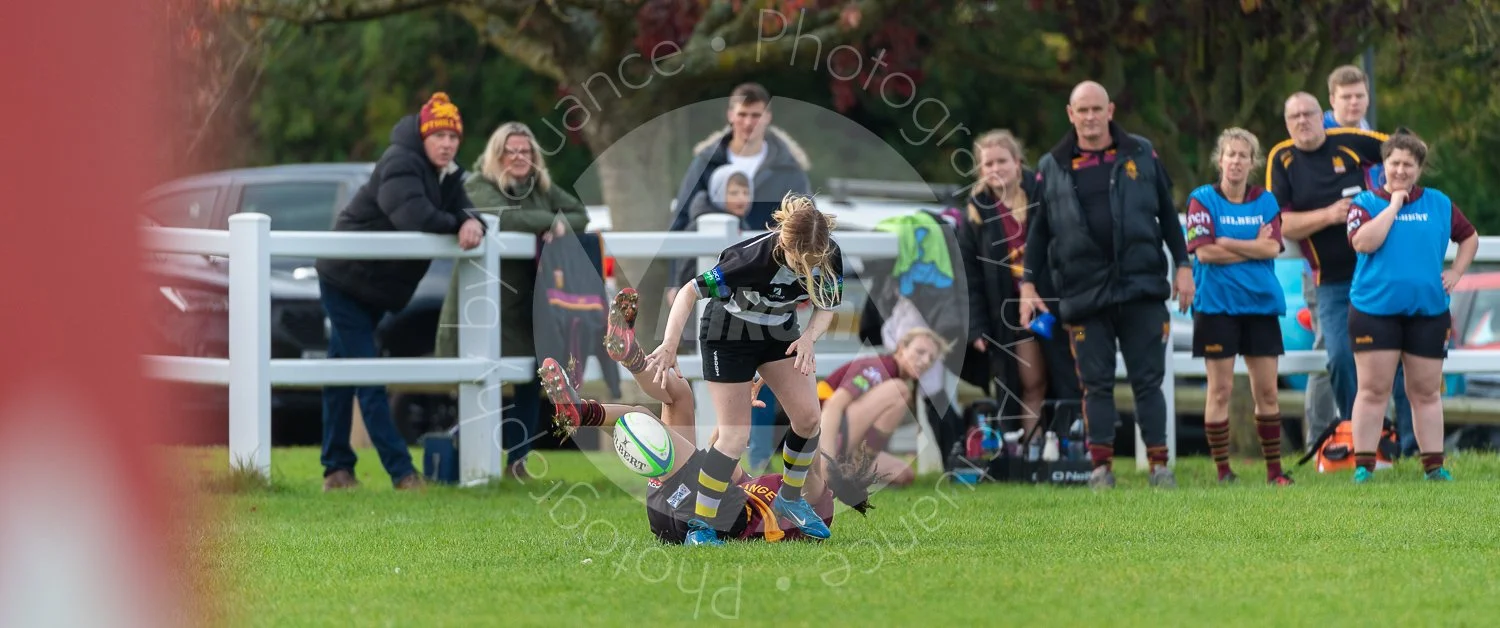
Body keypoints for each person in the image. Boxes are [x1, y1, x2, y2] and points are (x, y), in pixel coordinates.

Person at [538, 297, 878, 545]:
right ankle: (627, 361)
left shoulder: (820, 505)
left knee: (643, 418)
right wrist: (737, 411)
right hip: (685, 513)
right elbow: (722, 460)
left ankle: (584, 408)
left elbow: (808, 440)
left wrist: (807, 418)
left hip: (705, 518)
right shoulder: (769, 486)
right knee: (680, 394)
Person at [1018, 81, 1193, 490]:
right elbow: (1038, 233)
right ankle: (1101, 468)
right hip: (1084, 292)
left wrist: (1183, 265)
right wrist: (1027, 283)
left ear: (1110, 110)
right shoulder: (1051, 166)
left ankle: (1158, 465)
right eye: (1083, 110)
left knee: (1147, 379)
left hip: (1142, 287)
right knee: (1094, 383)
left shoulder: (1141, 152)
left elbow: (1168, 216)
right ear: (1070, 114)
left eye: (1097, 109)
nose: (1091, 117)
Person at [649, 192, 844, 546]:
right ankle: (701, 526)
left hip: (778, 331)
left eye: (812, 264)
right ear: (784, 242)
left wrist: (809, 340)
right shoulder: (749, 259)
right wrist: (670, 343)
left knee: (808, 418)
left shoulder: (827, 253)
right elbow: (689, 292)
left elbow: (826, 305)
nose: (807, 271)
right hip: (729, 334)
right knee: (735, 435)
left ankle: (790, 498)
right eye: (800, 263)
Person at [314, 92, 486, 491]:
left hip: (375, 289)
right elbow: (412, 216)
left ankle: (336, 469)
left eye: (453, 137)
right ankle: (402, 473)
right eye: (439, 135)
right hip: (345, 280)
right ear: (423, 135)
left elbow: (470, 211)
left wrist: (472, 220)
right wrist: (459, 223)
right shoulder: (400, 161)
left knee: (343, 374)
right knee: (368, 374)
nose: (447, 144)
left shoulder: (448, 174)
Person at [667, 82, 813, 472]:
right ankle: (717, 472)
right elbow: (681, 220)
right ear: (731, 116)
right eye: (742, 114)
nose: (749, 122)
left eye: (756, 114)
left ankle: (767, 468)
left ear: (767, 117)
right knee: (730, 402)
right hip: (729, 286)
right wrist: (674, 278)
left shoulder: (787, 167)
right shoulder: (707, 161)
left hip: (775, 288)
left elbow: (805, 227)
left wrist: (803, 286)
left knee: (778, 388)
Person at [434, 121, 588, 481]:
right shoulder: (477, 185)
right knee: (479, 379)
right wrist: (551, 222)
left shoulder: (541, 188)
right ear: (497, 154)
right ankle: (468, 457)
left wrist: (559, 222)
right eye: (512, 151)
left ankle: (518, 460)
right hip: (481, 305)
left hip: (526, 306)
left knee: (530, 378)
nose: (520, 157)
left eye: (526, 151)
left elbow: (580, 214)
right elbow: (503, 218)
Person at [1345, 132, 1478, 483]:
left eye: (1408, 164)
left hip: (1428, 312)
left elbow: (1470, 237)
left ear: (1419, 168)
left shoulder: (1438, 203)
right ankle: (1364, 467)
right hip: (1374, 311)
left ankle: (1434, 467)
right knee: (1373, 391)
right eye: (1395, 163)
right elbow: (1363, 242)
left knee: (1425, 391)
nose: (1401, 170)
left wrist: (1456, 271)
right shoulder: (1365, 202)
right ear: (1383, 166)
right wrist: (1394, 205)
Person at [1266, 92, 1396, 447]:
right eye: (1294, 118)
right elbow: (1279, 223)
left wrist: (1392, 193)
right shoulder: (1282, 157)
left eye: (1308, 114)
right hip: (1330, 282)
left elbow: (1403, 150)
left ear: (1320, 116)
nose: (1302, 122)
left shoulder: (1349, 141)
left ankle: (1391, 439)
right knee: (1339, 356)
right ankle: (1352, 434)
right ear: (1287, 123)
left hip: (1376, 273)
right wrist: (1331, 215)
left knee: (1388, 356)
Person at [1185, 128, 1294, 486]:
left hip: (1260, 306)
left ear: (1252, 162)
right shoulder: (1201, 199)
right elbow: (1203, 252)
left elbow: (1271, 248)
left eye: (1242, 156)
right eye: (1230, 154)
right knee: (1220, 391)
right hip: (1216, 306)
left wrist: (1227, 240)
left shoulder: (1265, 201)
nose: (1235, 161)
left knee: (1267, 391)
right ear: (1220, 159)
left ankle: (1274, 472)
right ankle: (1223, 471)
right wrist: (1251, 244)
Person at [957, 129, 1080, 431]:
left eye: (1002, 161)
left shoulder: (1044, 197)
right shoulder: (976, 214)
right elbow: (969, 278)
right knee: (1031, 382)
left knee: (1068, 379)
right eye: (988, 164)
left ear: (1017, 162)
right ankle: (1029, 450)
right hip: (1008, 314)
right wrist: (976, 328)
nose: (995, 169)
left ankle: (1071, 452)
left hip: (1054, 302)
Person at [816, 327, 950, 488]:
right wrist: (826, 460)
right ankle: (838, 469)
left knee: (903, 473)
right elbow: (833, 405)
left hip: (845, 440)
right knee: (899, 390)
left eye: (931, 358)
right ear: (901, 348)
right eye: (920, 352)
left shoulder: (898, 377)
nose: (926, 361)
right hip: (820, 436)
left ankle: (852, 472)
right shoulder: (880, 368)